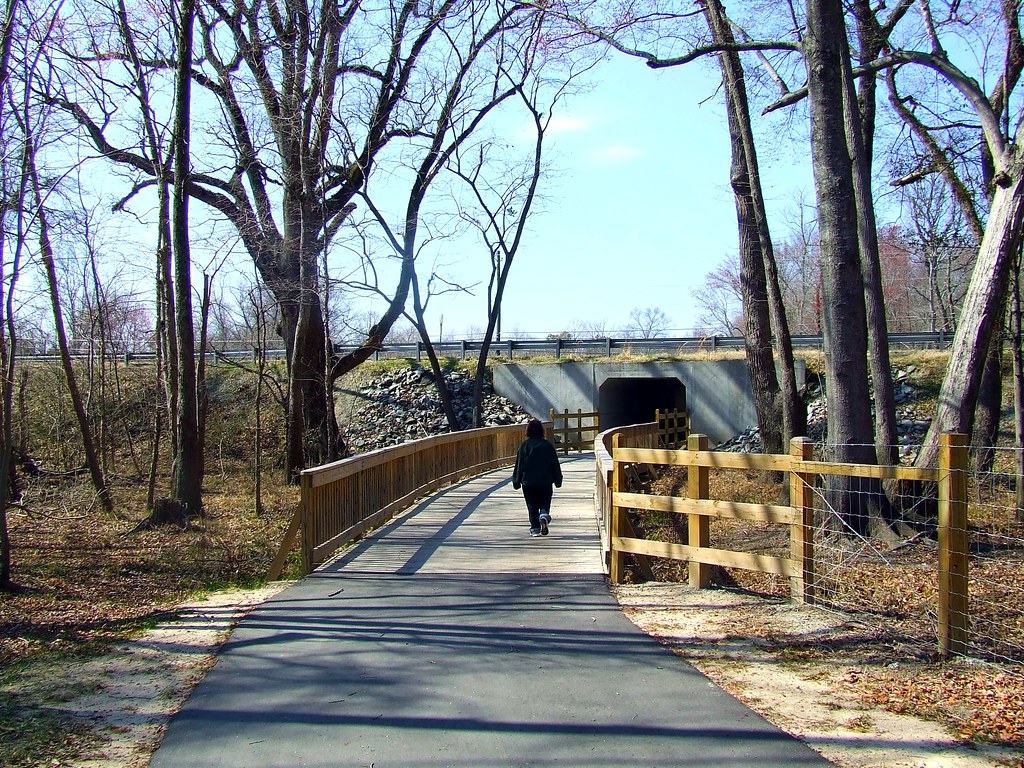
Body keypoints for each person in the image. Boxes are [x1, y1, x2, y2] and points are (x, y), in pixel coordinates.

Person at [511, 419, 563, 537]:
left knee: (532, 504)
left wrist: (516, 481)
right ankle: (544, 515)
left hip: (528, 481)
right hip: (545, 481)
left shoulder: (525, 445)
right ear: (541, 431)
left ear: (528, 431)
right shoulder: (547, 445)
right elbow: (555, 464)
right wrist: (558, 480)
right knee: (545, 501)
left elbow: (519, 464)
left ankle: (535, 528)